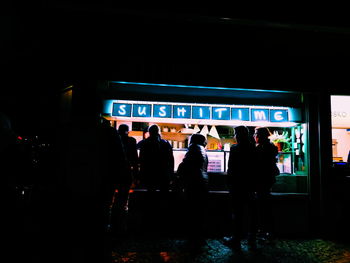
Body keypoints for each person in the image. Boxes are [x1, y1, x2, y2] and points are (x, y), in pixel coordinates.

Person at [225, 125, 258, 250]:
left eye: (235, 134)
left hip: (237, 185)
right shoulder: (254, 148)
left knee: (238, 213)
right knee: (252, 212)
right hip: (250, 185)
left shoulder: (235, 148)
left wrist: (229, 182)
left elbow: (231, 168)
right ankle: (251, 237)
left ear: (238, 135)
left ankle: (236, 239)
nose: (235, 136)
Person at [96, 117, 129, 234]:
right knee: (111, 202)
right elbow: (121, 158)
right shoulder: (112, 134)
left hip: (99, 174)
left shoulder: (94, 134)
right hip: (112, 175)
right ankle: (112, 226)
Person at [177, 133, 209, 247]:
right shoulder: (203, 150)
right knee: (200, 212)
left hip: (194, 184)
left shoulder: (193, 148)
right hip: (203, 184)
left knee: (193, 211)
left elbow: (184, 166)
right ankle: (200, 237)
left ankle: (193, 238)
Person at [253, 126, 279, 241]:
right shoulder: (270, 146)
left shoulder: (264, 147)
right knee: (264, 205)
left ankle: (266, 231)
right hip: (266, 179)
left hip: (263, 180)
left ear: (261, 136)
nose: (255, 136)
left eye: (256, 134)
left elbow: (260, 164)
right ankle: (266, 230)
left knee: (263, 206)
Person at [139, 124, 174, 196]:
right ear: (159, 132)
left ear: (149, 132)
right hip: (163, 173)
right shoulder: (166, 143)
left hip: (149, 173)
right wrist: (171, 174)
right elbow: (171, 160)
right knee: (164, 195)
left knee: (151, 194)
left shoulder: (143, 143)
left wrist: (141, 174)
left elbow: (141, 160)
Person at [116, 124, 138, 234]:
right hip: (126, 172)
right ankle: (122, 223)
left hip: (114, 172)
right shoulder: (132, 141)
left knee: (114, 199)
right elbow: (135, 159)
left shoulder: (114, 140)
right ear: (128, 131)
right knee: (124, 197)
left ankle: (115, 223)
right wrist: (136, 174)